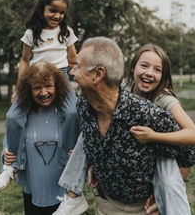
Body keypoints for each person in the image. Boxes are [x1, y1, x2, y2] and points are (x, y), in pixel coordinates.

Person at [53, 38, 195, 215]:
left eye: (157, 69)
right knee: (87, 135)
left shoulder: (161, 103)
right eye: (144, 66)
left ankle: (171, 204)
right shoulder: (119, 90)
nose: (149, 73)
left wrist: (153, 136)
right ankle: (73, 194)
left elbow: (190, 140)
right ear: (133, 68)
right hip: (109, 201)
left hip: (158, 143)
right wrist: (96, 163)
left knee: (168, 178)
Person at [0, 0, 78, 191]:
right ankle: (11, 165)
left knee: (72, 112)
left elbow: (74, 59)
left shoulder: (66, 32)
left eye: (61, 12)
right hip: (36, 78)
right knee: (14, 116)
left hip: (61, 77)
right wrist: (18, 88)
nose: (57, 15)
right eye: (53, 10)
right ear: (42, 7)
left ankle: (71, 157)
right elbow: (24, 60)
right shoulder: (32, 32)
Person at [0, 61, 80, 215]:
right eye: (37, 88)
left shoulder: (67, 115)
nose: (43, 92)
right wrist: (7, 155)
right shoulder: (22, 115)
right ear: (28, 90)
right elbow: (10, 139)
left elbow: (82, 142)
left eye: (48, 86)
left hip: (63, 194)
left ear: (58, 86)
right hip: (33, 190)